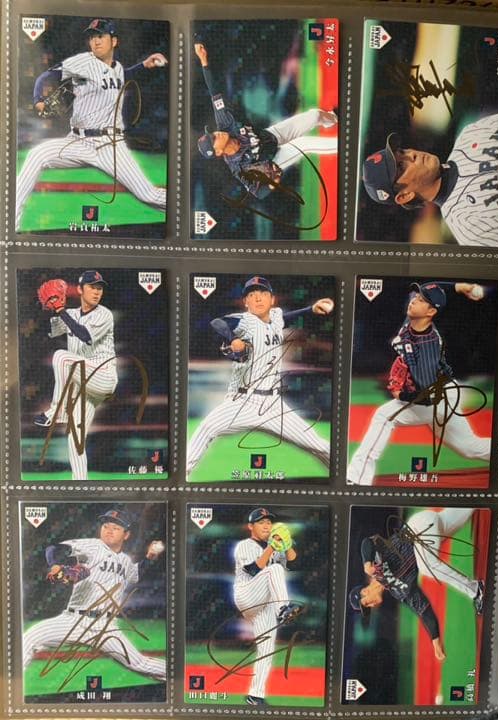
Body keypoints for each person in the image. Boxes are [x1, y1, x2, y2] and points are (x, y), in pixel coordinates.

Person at [16, 18, 167, 231]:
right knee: (36, 155)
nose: (95, 41)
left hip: (110, 145)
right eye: (92, 37)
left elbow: (120, 77)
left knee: (148, 195)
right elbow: (47, 76)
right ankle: (9, 223)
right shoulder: (83, 62)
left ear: (114, 41)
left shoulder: (117, 68)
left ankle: (184, 208)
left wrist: (144, 65)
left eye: (100, 36)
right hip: (78, 141)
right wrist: (38, 99)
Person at [187, 276, 333, 478]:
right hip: (242, 402)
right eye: (252, 294)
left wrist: (311, 309)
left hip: (273, 404)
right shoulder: (244, 321)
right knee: (206, 429)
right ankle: (180, 479)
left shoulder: (276, 318)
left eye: (263, 293)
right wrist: (233, 338)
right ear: (246, 302)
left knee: (318, 445)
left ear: (272, 300)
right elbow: (218, 322)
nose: (258, 298)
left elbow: (286, 318)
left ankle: (348, 479)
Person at [347, 281, 491, 485]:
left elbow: (426, 395)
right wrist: (460, 287)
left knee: (385, 416)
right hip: (442, 392)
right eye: (416, 297)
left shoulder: (426, 347)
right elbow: (428, 286)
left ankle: (357, 478)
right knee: (469, 448)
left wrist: (400, 394)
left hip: (437, 397)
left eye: (421, 300)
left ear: (431, 312)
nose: (414, 300)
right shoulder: (414, 320)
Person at [23, 508, 166, 682]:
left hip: (106, 627)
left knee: (139, 664)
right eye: (105, 526)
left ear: (126, 535)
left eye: (116, 527)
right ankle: (12, 687)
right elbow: (54, 548)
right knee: (29, 639)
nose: (109, 530)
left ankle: (179, 677)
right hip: (74, 621)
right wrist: (55, 565)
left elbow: (136, 573)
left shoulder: (125, 560)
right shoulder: (91, 545)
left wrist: (149, 557)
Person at [194, 41, 338, 199]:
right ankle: (343, 145)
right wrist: (271, 183)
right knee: (304, 144)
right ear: (218, 152)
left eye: (212, 134)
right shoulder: (238, 168)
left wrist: (204, 61)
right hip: (276, 158)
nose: (216, 134)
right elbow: (258, 193)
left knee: (314, 116)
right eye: (213, 139)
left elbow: (214, 91)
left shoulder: (225, 122)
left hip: (270, 135)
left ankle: (335, 117)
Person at [349, 507, 485, 661]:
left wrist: (367, 562)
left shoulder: (375, 568)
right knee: (468, 507)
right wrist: (436, 641)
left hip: (417, 527)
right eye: (368, 608)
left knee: (427, 567)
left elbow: (368, 542)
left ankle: (476, 590)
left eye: (366, 603)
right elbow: (424, 610)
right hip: (428, 533)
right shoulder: (398, 592)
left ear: (365, 592)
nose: (371, 606)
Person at [362, 112, 498, 246]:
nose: (411, 155)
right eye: (401, 166)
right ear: (405, 196)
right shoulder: (468, 227)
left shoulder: (470, 134)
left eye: (402, 151)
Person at [33, 270, 118, 481]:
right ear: (80, 289)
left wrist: (60, 310)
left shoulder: (104, 314)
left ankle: (56, 411)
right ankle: (81, 483)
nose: (97, 292)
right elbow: (46, 331)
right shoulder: (70, 314)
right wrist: (45, 306)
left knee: (61, 356)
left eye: (100, 288)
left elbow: (84, 335)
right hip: (84, 384)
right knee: (74, 437)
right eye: (92, 287)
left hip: (103, 377)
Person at [233, 507, 300, 705]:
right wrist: (272, 546)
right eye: (261, 522)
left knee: (267, 648)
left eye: (269, 522)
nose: (266, 526)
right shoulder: (244, 545)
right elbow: (254, 570)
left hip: (265, 602)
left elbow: (294, 564)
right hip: (247, 594)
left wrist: (287, 544)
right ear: (250, 526)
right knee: (275, 569)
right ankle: (284, 610)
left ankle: (255, 696)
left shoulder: (275, 546)